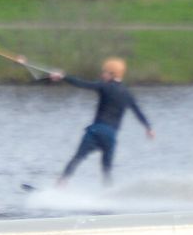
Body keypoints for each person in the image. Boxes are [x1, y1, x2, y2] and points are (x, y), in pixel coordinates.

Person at [48, 57, 154, 187]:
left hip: (96, 131)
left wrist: (63, 77)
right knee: (106, 169)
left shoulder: (104, 86)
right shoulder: (127, 93)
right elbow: (138, 112)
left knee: (78, 157)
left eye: (104, 72)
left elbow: (83, 84)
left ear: (112, 74)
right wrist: (148, 127)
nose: (102, 74)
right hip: (111, 136)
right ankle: (108, 193)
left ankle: (61, 184)